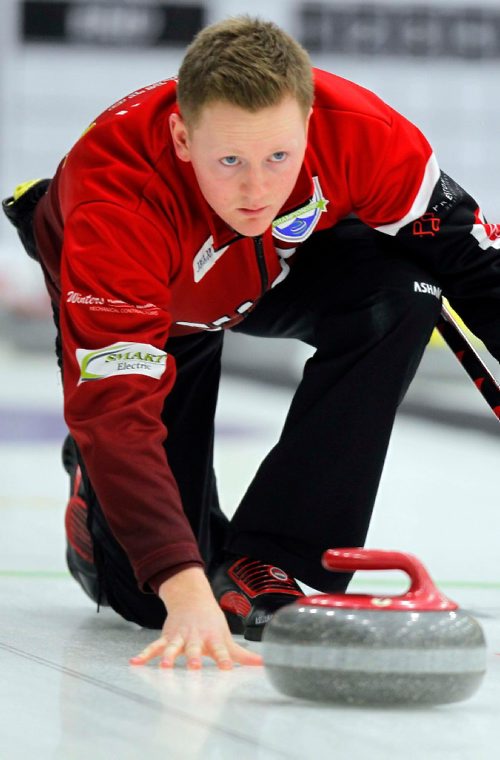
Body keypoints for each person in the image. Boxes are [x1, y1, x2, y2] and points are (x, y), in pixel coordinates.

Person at [3, 16, 500, 671]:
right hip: (162, 314)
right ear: (183, 137)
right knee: (152, 596)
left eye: (279, 158)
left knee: (404, 291)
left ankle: (270, 556)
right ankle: (91, 496)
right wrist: (181, 586)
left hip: (269, 269)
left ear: (308, 126)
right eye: (229, 160)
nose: (257, 188)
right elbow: (116, 412)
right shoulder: (115, 202)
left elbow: (478, 266)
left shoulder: (362, 133)